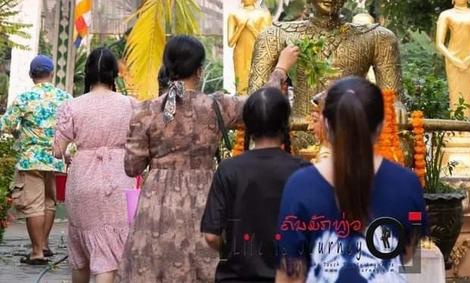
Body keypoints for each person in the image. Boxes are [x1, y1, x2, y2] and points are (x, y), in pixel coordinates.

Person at [116, 35, 299, 282]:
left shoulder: (145, 111)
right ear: (200, 70)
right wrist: (280, 69)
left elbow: (132, 166)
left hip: (156, 206)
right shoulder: (216, 107)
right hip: (204, 200)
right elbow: (260, 104)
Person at [275, 77, 428, 282]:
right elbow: (408, 254)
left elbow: (290, 275)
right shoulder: (407, 184)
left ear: (325, 124)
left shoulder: (300, 186)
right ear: (382, 125)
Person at [201, 87, 309, 282]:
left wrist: (235, 250)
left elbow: (211, 236)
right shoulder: (303, 171)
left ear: (248, 125)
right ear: (285, 125)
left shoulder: (229, 169)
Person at [53, 48, 136, 283]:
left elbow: (58, 149)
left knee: (81, 255)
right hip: (118, 180)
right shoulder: (130, 104)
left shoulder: (72, 106)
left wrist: (72, 155)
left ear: (87, 72)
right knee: (108, 257)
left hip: (82, 182)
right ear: (114, 74)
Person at [0, 55, 72, 265]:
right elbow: (71, 129)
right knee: (49, 203)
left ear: (32, 75)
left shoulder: (24, 99)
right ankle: (46, 245)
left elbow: (6, 125)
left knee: (34, 206)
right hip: (55, 158)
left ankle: (37, 252)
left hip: (31, 160)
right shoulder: (65, 98)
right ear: (51, 74)